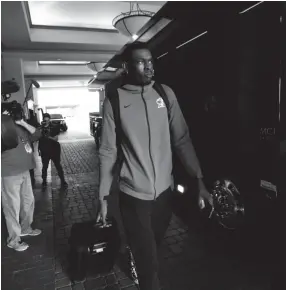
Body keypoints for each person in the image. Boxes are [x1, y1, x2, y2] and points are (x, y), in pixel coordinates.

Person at [97, 42, 213, 290]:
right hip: (133, 196)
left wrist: (199, 181)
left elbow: (182, 139)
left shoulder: (164, 93)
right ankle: (141, 266)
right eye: (141, 61)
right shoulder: (114, 101)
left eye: (150, 60)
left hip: (164, 194)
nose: (149, 66)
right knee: (149, 265)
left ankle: (136, 256)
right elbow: (108, 150)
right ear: (127, 66)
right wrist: (103, 197)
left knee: (153, 244)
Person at [1, 114, 42, 251]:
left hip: (24, 171)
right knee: (12, 207)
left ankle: (25, 228)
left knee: (28, 201)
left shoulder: (20, 127)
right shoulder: (3, 127)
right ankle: (13, 240)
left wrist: (22, 123)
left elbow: (37, 134)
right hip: (9, 173)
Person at [38, 113, 67, 188]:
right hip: (44, 150)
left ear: (49, 120)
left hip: (54, 150)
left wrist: (48, 136)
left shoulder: (54, 127)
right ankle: (44, 181)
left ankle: (63, 181)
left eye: (47, 120)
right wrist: (40, 132)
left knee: (58, 166)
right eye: (45, 120)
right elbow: (37, 139)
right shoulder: (40, 128)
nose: (46, 122)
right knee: (44, 167)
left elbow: (56, 139)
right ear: (43, 120)